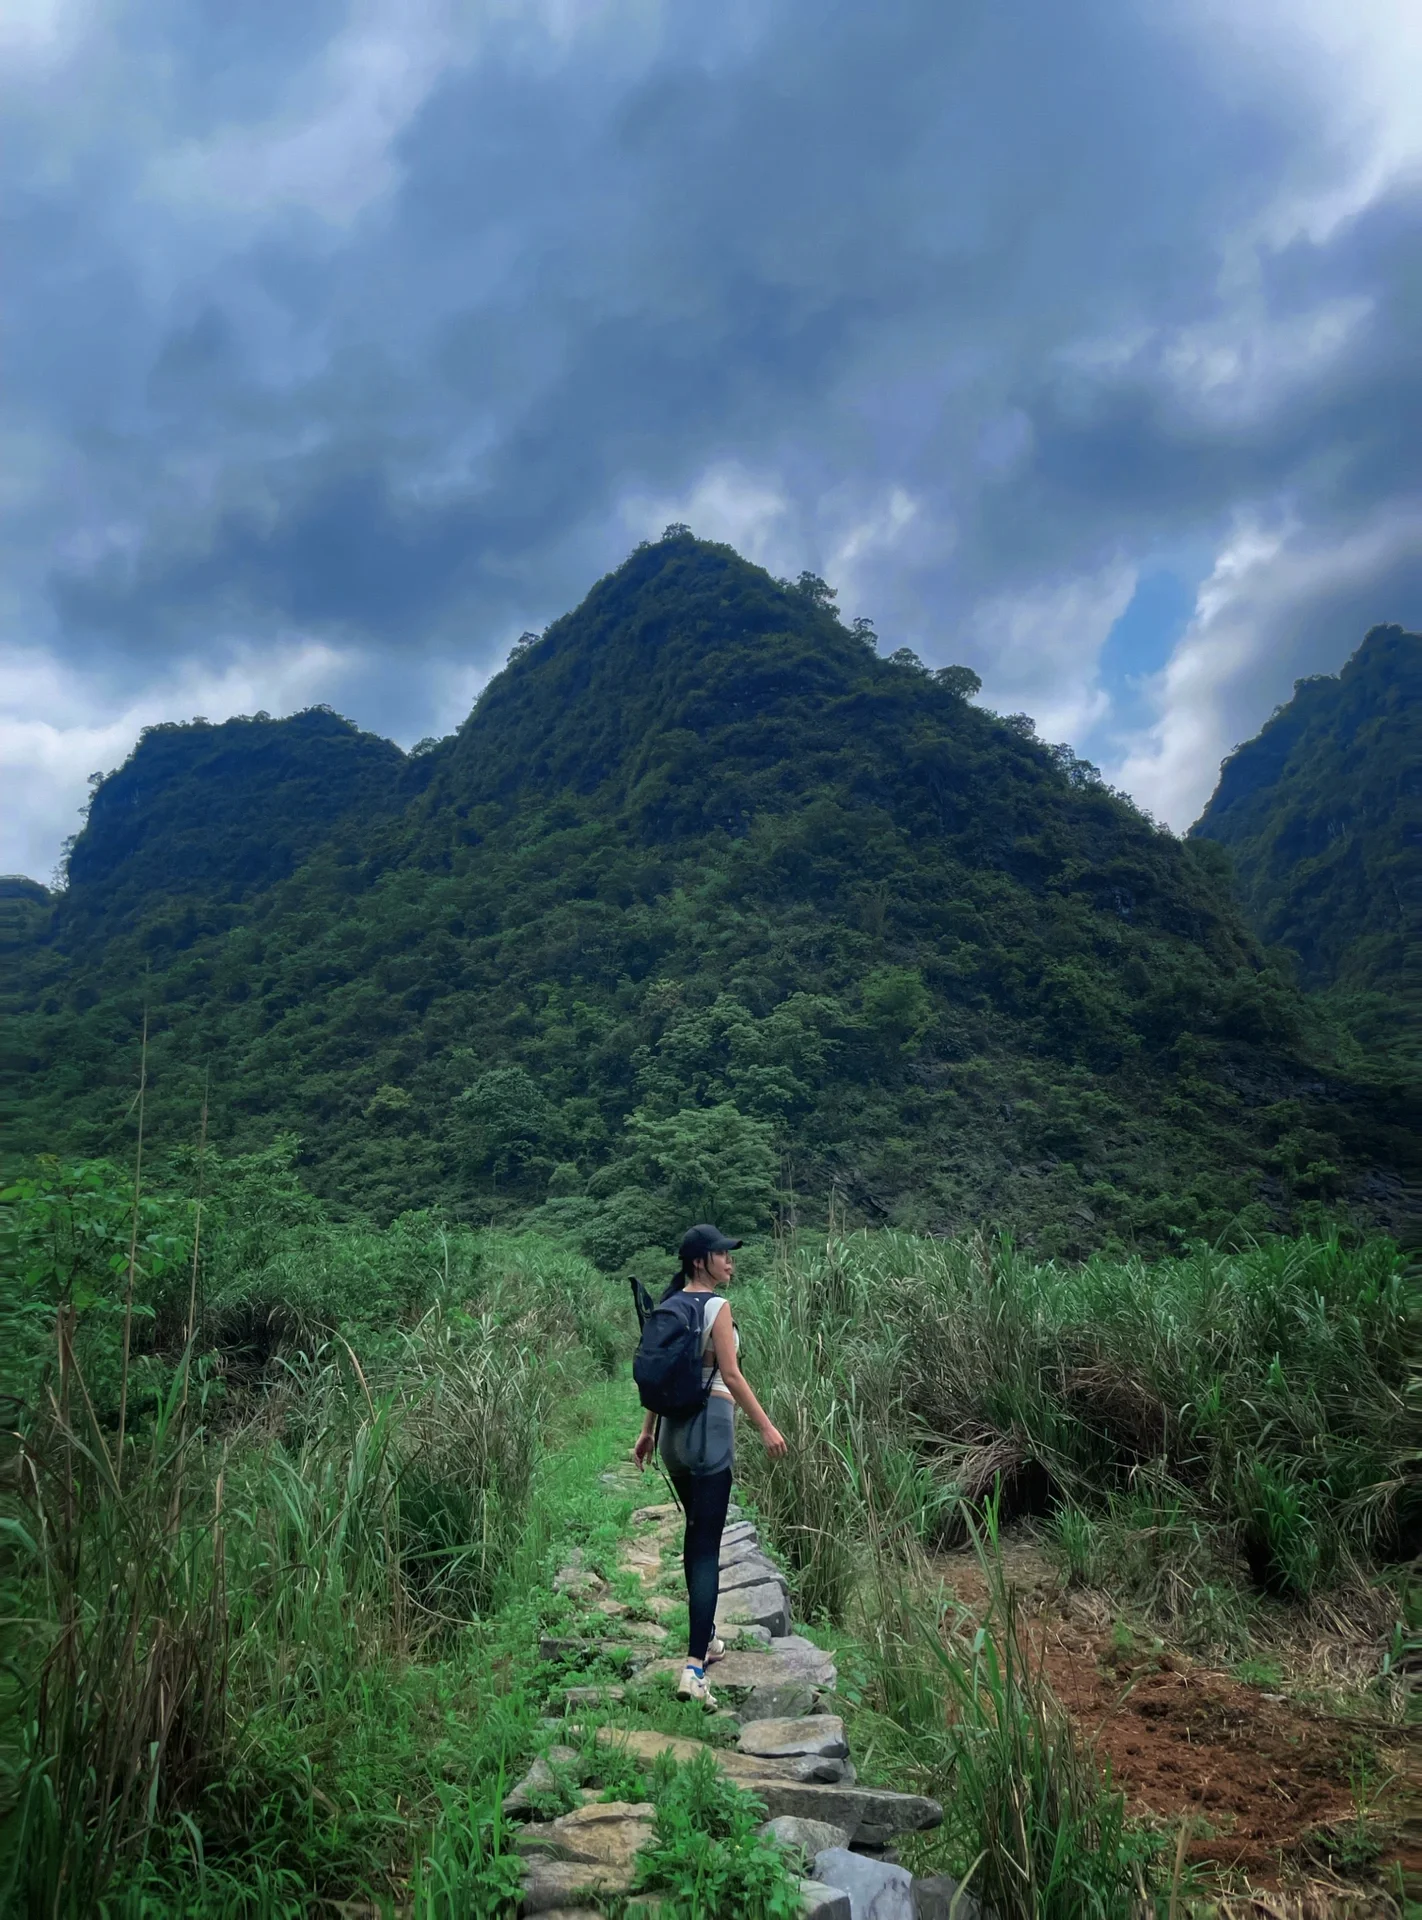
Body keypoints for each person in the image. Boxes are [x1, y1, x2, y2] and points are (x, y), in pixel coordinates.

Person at [632, 1223, 787, 1706]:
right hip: (711, 1433)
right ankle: (695, 1668)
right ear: (700, 1261)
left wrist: (647, 1432)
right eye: (723, 1254)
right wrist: (766, 1426)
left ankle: (709, 1636)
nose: (730, 1261)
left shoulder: (671, 1306)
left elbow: (663, 1378)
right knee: (704, 1548)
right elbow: (733, 1375)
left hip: (674, 1440)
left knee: (693, 1536)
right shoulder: (717, 1307)